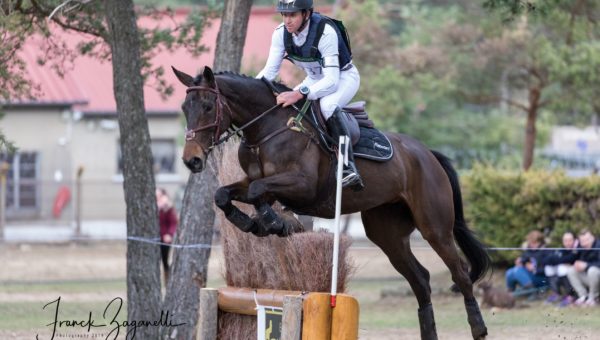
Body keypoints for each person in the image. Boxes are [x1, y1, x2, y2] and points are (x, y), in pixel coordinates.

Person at [256, 0, 363, 190]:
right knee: (287, 109)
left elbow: (331, 81)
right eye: (284, 15)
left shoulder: (325, 32)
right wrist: (249, 88)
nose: (287, 20)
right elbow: (269, 72)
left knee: (327, 105)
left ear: (306, 14)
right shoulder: (281, 33)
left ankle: (348, 167)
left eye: (293, 15)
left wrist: (298, 93)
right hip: (313, 79)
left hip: (343, 77)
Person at [505, 230, 548, 297]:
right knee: (509, 272)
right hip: (529, 275)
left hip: (541, 278)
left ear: (540, 242)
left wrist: (535, 269)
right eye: (530, 243)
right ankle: (510, 292)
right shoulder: (529, 250)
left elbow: (547, 270)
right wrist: (521, 262)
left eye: (534, 243)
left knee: (518, 271)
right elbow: (524, 259)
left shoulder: (545, 252)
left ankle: (532, 292)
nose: (532, 245)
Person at [543, 231, 578, 306]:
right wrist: (561, 260)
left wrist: (561, 260)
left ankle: (571, 296)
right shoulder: (562, 250)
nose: (568, 242)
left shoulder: (578, 248)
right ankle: (557, 294)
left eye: (570, 240)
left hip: (577, 273)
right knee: (548, 267)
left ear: (574, 240)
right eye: (565, 240)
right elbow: (546, 260)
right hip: (566, 272)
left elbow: (571, 258)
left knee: (561, 268)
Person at [566, 229, 600, 307]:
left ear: (593, 238)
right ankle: (584, 296)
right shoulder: (581, 248)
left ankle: (593, 298)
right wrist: (577, 263)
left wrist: (586, 265)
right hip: (590, 278)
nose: (585, 243)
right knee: (571, 270)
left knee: (592, 270)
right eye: (582, 241)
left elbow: (591, 265)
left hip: (597, 276)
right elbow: (571, 259)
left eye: (587, 239)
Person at [156, 188, 178, 282]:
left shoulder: (167, 207)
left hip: (164, 239)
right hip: (154, 239)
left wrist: (169, 234)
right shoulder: (153, 207)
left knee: (165, 261)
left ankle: (167, 281)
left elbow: (173, 223)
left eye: (159, 195)